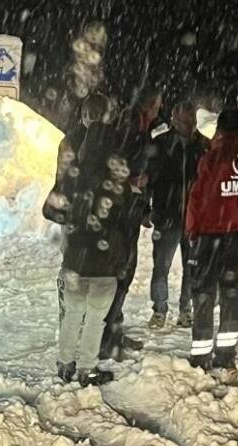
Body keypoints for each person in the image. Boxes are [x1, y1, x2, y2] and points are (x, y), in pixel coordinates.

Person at [43, 91, 132, 386]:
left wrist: (73, 219)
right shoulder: (119, 161)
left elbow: (52, 207)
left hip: (75, 253)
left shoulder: (72, 160)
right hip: (106, 255)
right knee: (96, 318)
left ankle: (65, 364)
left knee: (72, 313)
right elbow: (128, 209)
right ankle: (87, 368)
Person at [184, 108, 238, 370]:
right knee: (232, 296)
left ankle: (200, 354)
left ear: (219, 130)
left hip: (209, 238)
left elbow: (196, 197)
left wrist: (192, 231)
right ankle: (226, 356)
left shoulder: (212, 158)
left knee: (204, 295)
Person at [100, 83, 164, 358]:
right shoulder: (130, 126)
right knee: (120, 272)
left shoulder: (140, 127)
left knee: (124, 272)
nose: (161, 108)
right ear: (150, 105)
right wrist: (132, 184)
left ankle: (114, 331)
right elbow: (116, 165)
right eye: (159, 103)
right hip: (121, 211)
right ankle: (107, 338)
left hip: (131, 208)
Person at [147, 100, 209, 328]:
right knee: (161, 266)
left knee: (191, 265)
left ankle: (186, 309)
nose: (190, 125)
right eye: (185, 121)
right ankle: (159, 309)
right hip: (167, 216)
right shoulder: (161, 145)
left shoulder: (204, 146)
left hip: (194, 218)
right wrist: (149, 209)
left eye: (192, 121)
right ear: (173, 119)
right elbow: (150, 181)